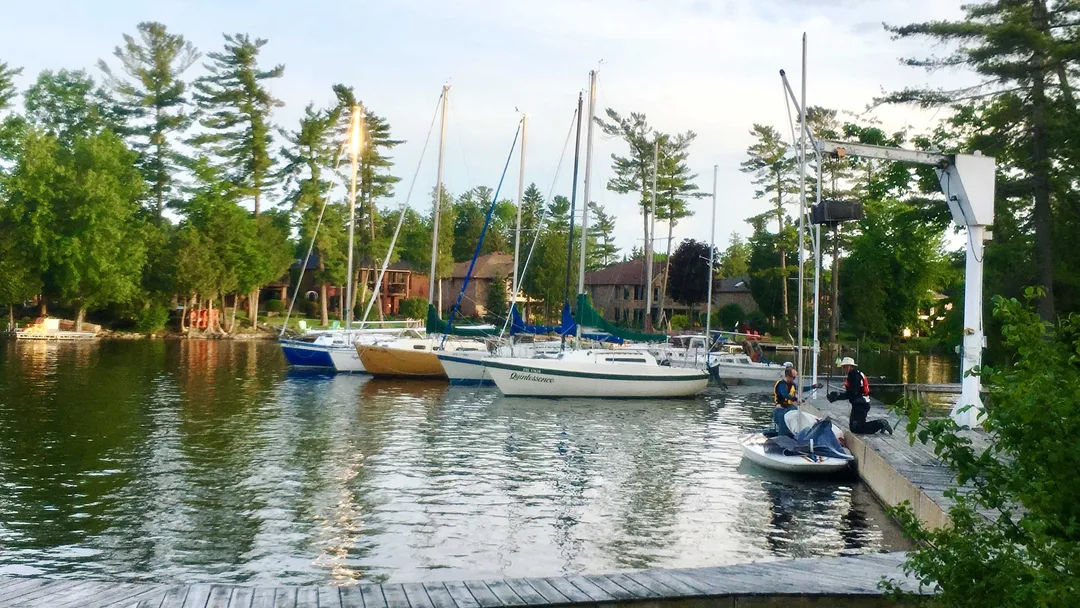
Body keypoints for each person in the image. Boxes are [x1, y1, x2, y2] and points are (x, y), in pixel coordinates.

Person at [827, 357, 892, 435]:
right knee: (854, 427)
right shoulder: (855, 374)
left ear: (850, 366)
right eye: (843, 367)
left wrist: (837, 396)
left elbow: (853, 393)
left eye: (844, 366)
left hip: (861, 404)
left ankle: (881, 423)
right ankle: (880, 424)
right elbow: (853, 392)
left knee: (857, 428)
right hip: (859, 403)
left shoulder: (854, 376)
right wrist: (837, 395)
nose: (843, 368)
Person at [772, 366, 800, 436]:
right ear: (788, 376)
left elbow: (802, 389)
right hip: (780, 408)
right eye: (793, 377)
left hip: (789, 407)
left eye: (795, 377)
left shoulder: (792, 384)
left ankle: (794, 435)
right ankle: (781, 438)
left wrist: (813, 386)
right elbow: (784, 394)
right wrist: (795, 399)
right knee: (782, 425)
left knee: (797, 415)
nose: (794, 379)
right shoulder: (781, 384)